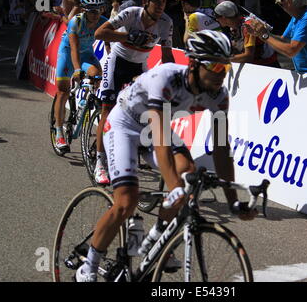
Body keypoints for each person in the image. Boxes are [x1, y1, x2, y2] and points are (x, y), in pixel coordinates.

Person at [75, 30, 258, 282]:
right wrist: (172, 187)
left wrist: (233, 201)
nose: (220, 73)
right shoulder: (166, 78)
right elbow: (160, 139)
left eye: (225, 67)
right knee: (126, 202)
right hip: (125, 124)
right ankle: (89, 266)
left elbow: (221, 149)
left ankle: (154, 239)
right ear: (193, 63)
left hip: (153, 130)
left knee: (188, 173)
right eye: (215, 65)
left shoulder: (219, 95)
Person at [92, 0, 175, 185]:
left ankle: (138, 149)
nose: (161, 5)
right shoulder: (131, 13)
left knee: (145, 111)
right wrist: (127, 35)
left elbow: (167, 55)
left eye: (164, 1)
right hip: (117, 63)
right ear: (146, 1)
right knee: (108, 109)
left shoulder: (166, 22)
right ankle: (100, 162)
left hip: (139, 67)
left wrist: (174, 80)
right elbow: (99, 33)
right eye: (157, 1)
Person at [54, 0, 108, 153]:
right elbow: (74, 48)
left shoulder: (104, 22)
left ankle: (85, 101)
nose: (96, 14)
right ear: (84, 10)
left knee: (97, 73)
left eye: (99, 10)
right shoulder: (75, 22)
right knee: (62, 91)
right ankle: (58, 132)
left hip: (86, 54)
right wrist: (77, 70)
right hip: (68, 52)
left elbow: (110, 45)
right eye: (92, 11)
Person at [214, 0, 279, 68]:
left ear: (224, 18)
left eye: (217, 17)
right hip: (258, 65)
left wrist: (223, 60)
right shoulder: (235, 26)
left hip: (268, 66)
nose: (216, 20)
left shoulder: (248, 26)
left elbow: (248, 56)